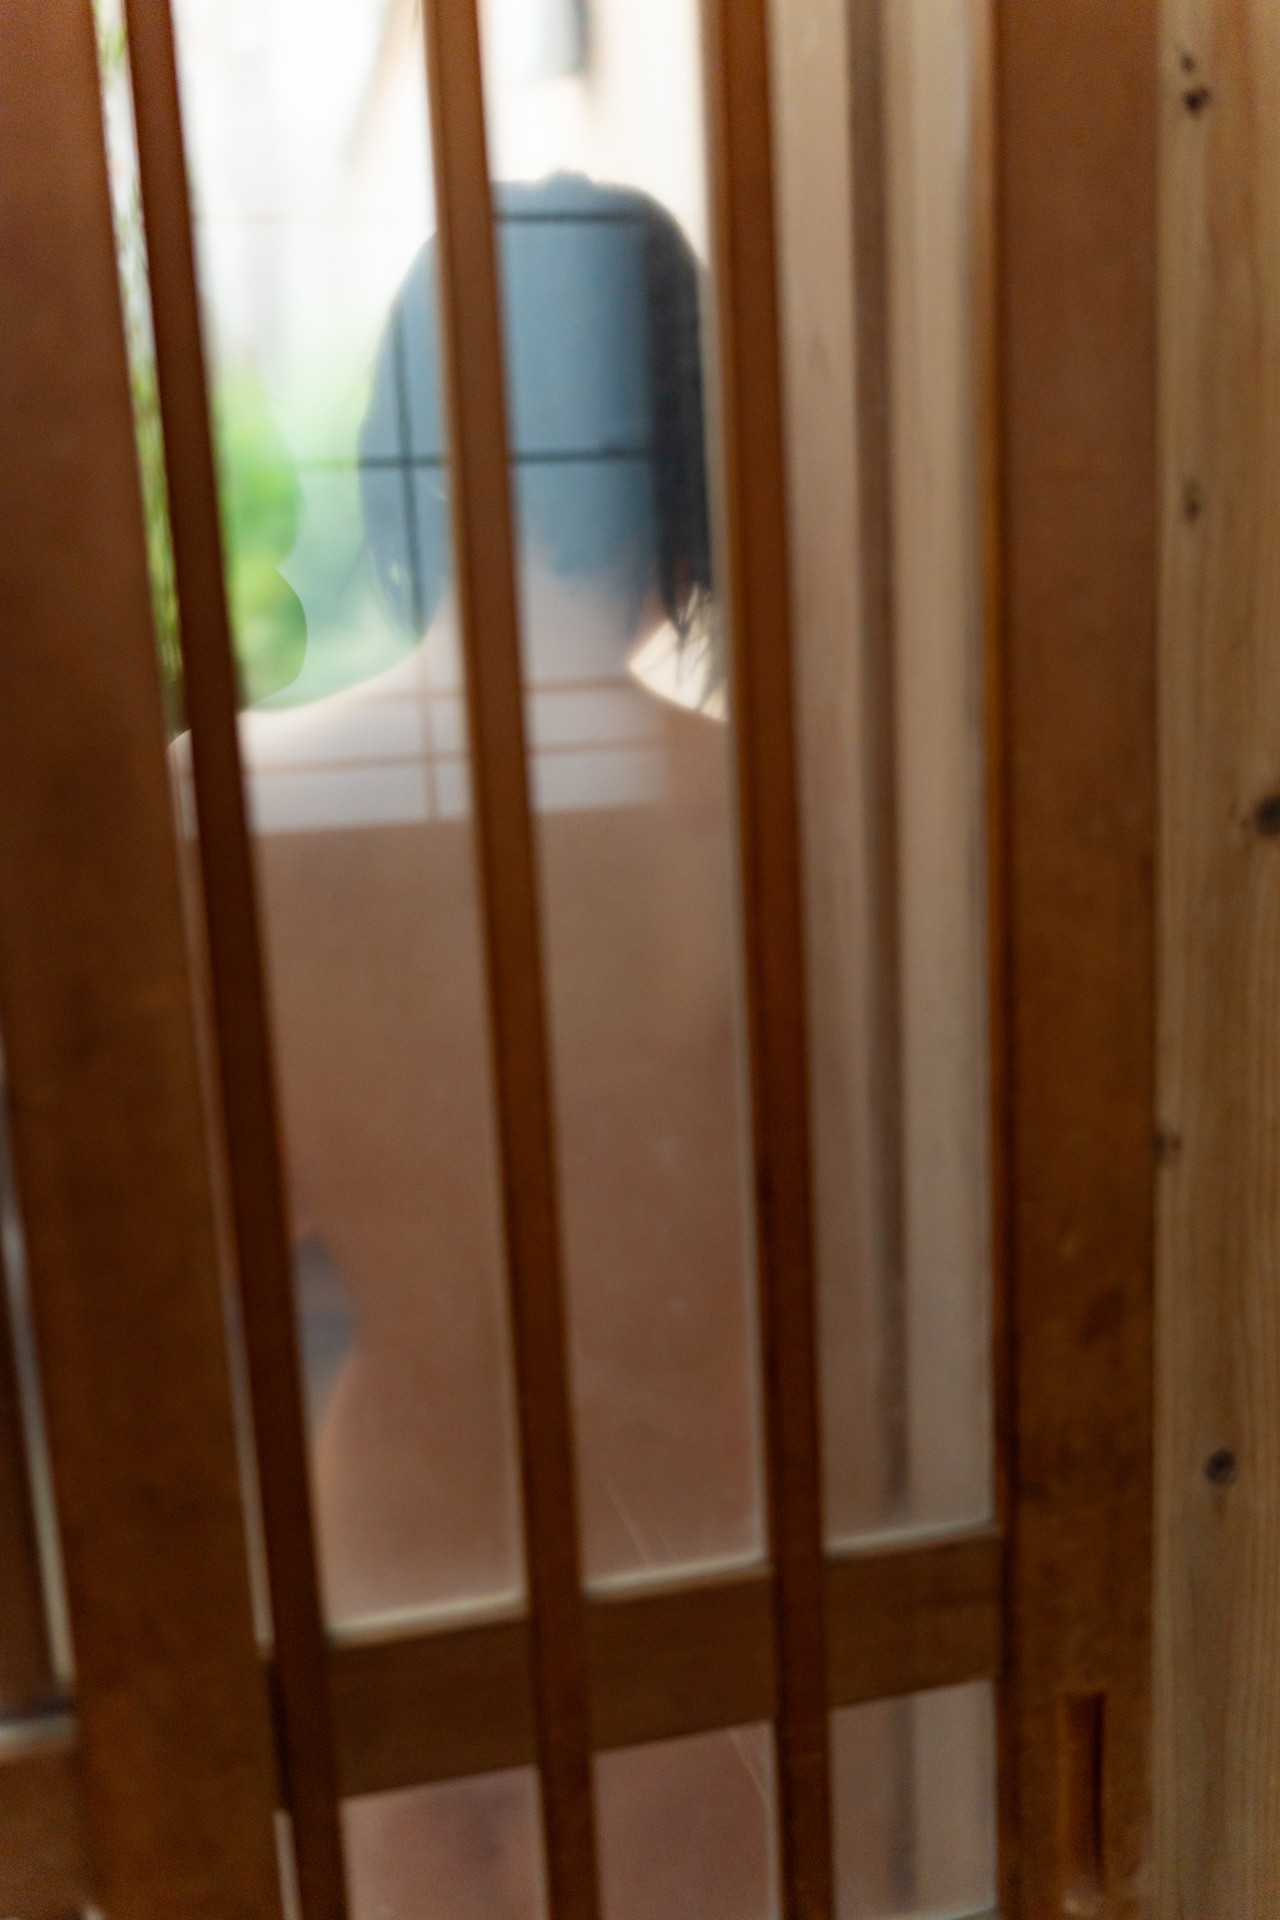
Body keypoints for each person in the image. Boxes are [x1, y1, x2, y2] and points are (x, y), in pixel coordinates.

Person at [232, 173, 774, 1916]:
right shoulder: (773, 815)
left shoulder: (226, 809)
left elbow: (205, 1271)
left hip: (378, 1581)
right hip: (687, 1578)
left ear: (408, 449)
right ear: (686, 456)